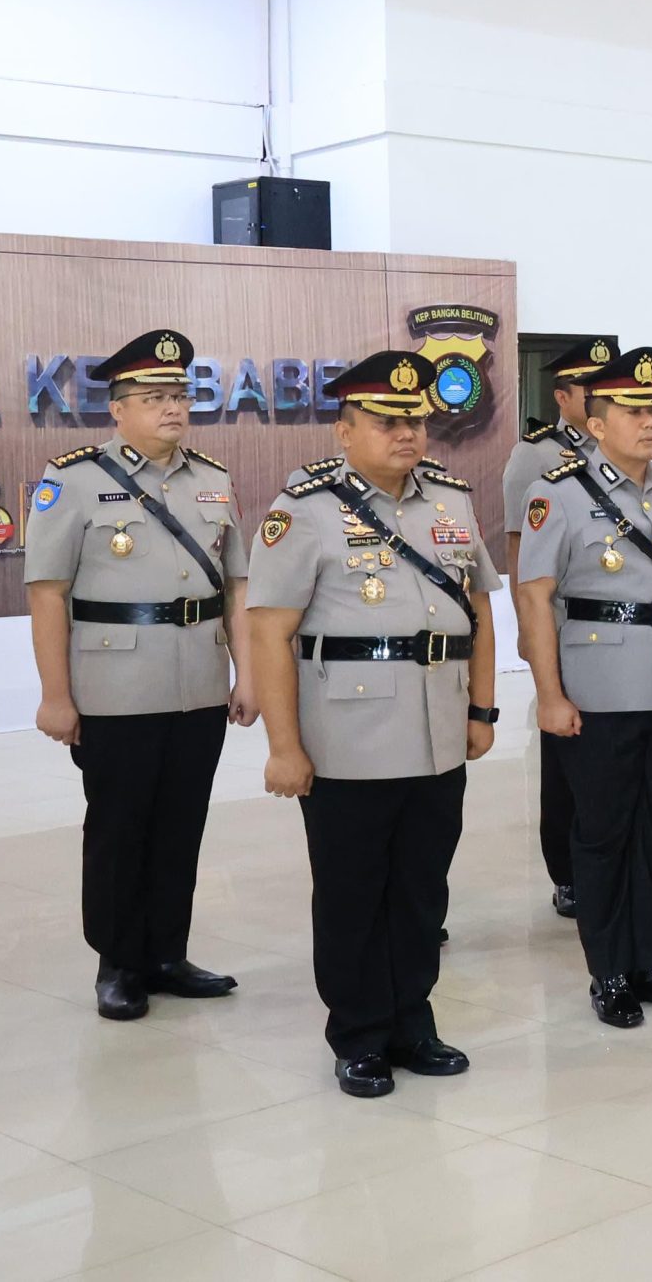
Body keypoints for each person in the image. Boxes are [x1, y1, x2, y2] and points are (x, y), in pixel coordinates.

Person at [249, 350, 497, 1098]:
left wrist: (481, 709)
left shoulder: (449, 501)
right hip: (347, 739)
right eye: (387, 422)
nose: (407, 433)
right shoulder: (304, 510)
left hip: (436, 731)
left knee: (422, 890)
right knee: (353, 892)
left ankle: (412, 1022)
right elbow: (269, 633)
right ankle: (358, 1034)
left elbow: (478, 612)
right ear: (344, 429)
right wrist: (284, 747)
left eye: (415, 420)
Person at [26, 328, 253, 1022]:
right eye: (154, 397)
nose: (173, 407)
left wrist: (247, 675)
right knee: (120, 828)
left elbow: (237, 583)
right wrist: (56, 695)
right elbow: (47, 593)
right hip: (115, 686)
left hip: (199, 682)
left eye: (179, 394)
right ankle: (119, 962)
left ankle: (166, 954)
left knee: (182, 824)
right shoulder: (73, 480)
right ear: (117, 408)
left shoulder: (212, 479)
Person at [514, 346, 652, 1027]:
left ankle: (651, 963)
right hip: (599, 685)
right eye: (633, 411)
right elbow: (535, 596)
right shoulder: (558, 493)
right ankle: (608, 972)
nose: (650, 421)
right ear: (597, 423)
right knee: (603, 832)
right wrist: (549, 694)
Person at [504, 337, 610, 919]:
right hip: (563, 621)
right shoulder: (536, 455)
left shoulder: (624, 447)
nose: (598, 398)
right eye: (587, 389)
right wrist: (528, 625)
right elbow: (518, 545)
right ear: (563, 397)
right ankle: (566, 871)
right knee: (565, 751)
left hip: (617, 630)